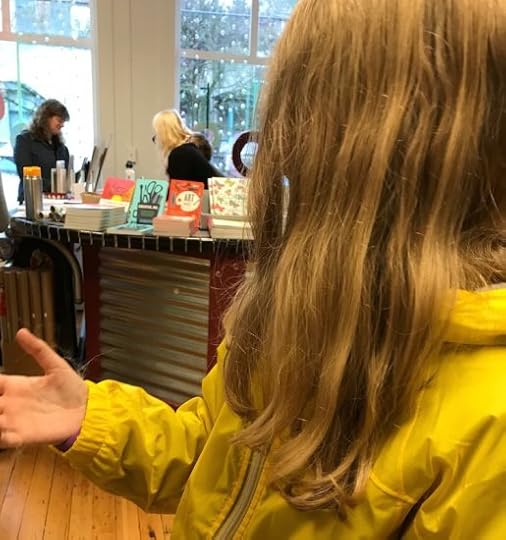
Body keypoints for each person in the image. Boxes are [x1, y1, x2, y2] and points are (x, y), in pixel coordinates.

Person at [1, 0, 505, 537]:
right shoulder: (291, 314)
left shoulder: (487, 425)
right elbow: (212, 458)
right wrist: (92, 418)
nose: (280, 153)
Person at [13, 99, 70, 203]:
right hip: (32, 201)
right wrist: (56, 185)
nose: (62, 125)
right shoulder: (25, 140)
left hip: (57, 201)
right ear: (46, 118)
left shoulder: (61, 147)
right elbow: (26, 175)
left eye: (63, 121)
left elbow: (66, 175)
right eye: (59, 120)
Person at [152, 109, 223, 187]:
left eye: (158, 133)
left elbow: (178, 189)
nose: (157, 138)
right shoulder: (189, 150)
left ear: (165, 134)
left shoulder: (180, 154)